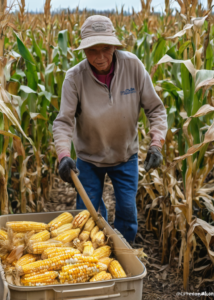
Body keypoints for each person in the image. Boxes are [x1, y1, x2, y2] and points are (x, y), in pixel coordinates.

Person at [52, 15, 167, 243]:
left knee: (127, 211)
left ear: (115, 45)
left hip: (125, 156)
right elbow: (63, 122)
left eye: (106, 48)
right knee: (87, 215)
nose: (100, 57)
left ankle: (123, 256)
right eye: (93, 50)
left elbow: (156, 109)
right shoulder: (74, 78)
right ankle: (93, 260)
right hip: (88, 158)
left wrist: (156, 144)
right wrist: (64, 156)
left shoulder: (133, 66)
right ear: (84, 51)